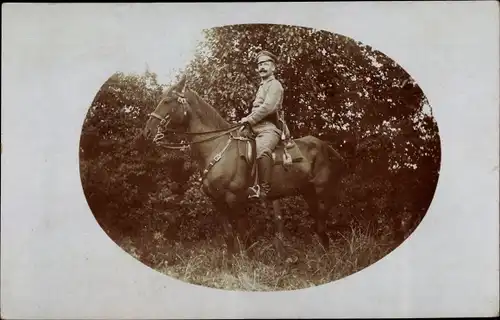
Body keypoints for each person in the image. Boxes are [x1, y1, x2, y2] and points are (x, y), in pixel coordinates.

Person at [239, 50, 284, 200]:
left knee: (262, 150)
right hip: (254, 128)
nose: (262, 67)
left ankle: (263, 189)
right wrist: (246, 122)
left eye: (266, 64)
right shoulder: (262, 86)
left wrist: (249, 119)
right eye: (260, 65)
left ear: (273, 68)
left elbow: (268, 107)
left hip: (269, 128)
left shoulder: (275, 85)